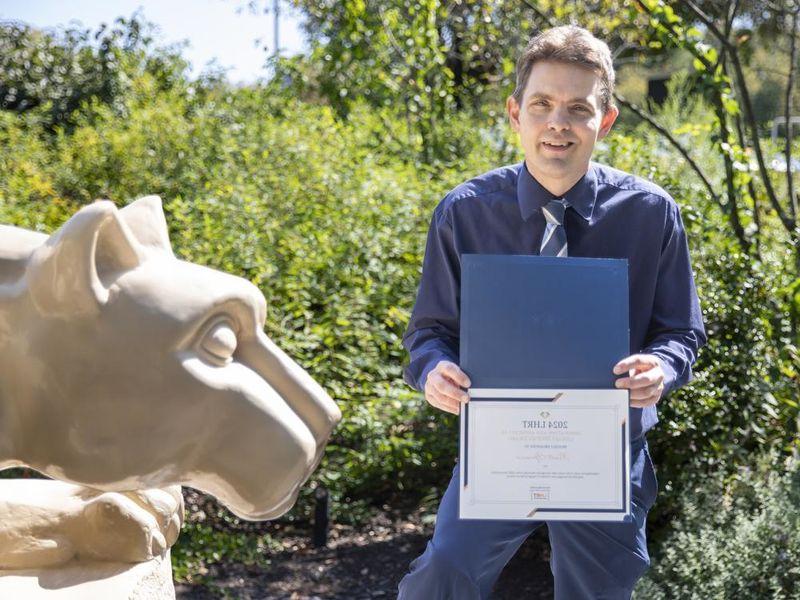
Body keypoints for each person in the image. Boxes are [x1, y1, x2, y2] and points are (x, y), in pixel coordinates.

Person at [397, 25, 706, 600]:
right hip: (499, 444)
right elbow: (429, 331)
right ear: (516, 113)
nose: (557, 123)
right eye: (541, 104)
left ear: (605, 120)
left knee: (598, 591)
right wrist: (432, 370)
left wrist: (661, 368)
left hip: (606, 449)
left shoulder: (649, 213)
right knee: (444, 574)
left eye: (577, 109)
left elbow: (681, 329)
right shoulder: (464, 214)